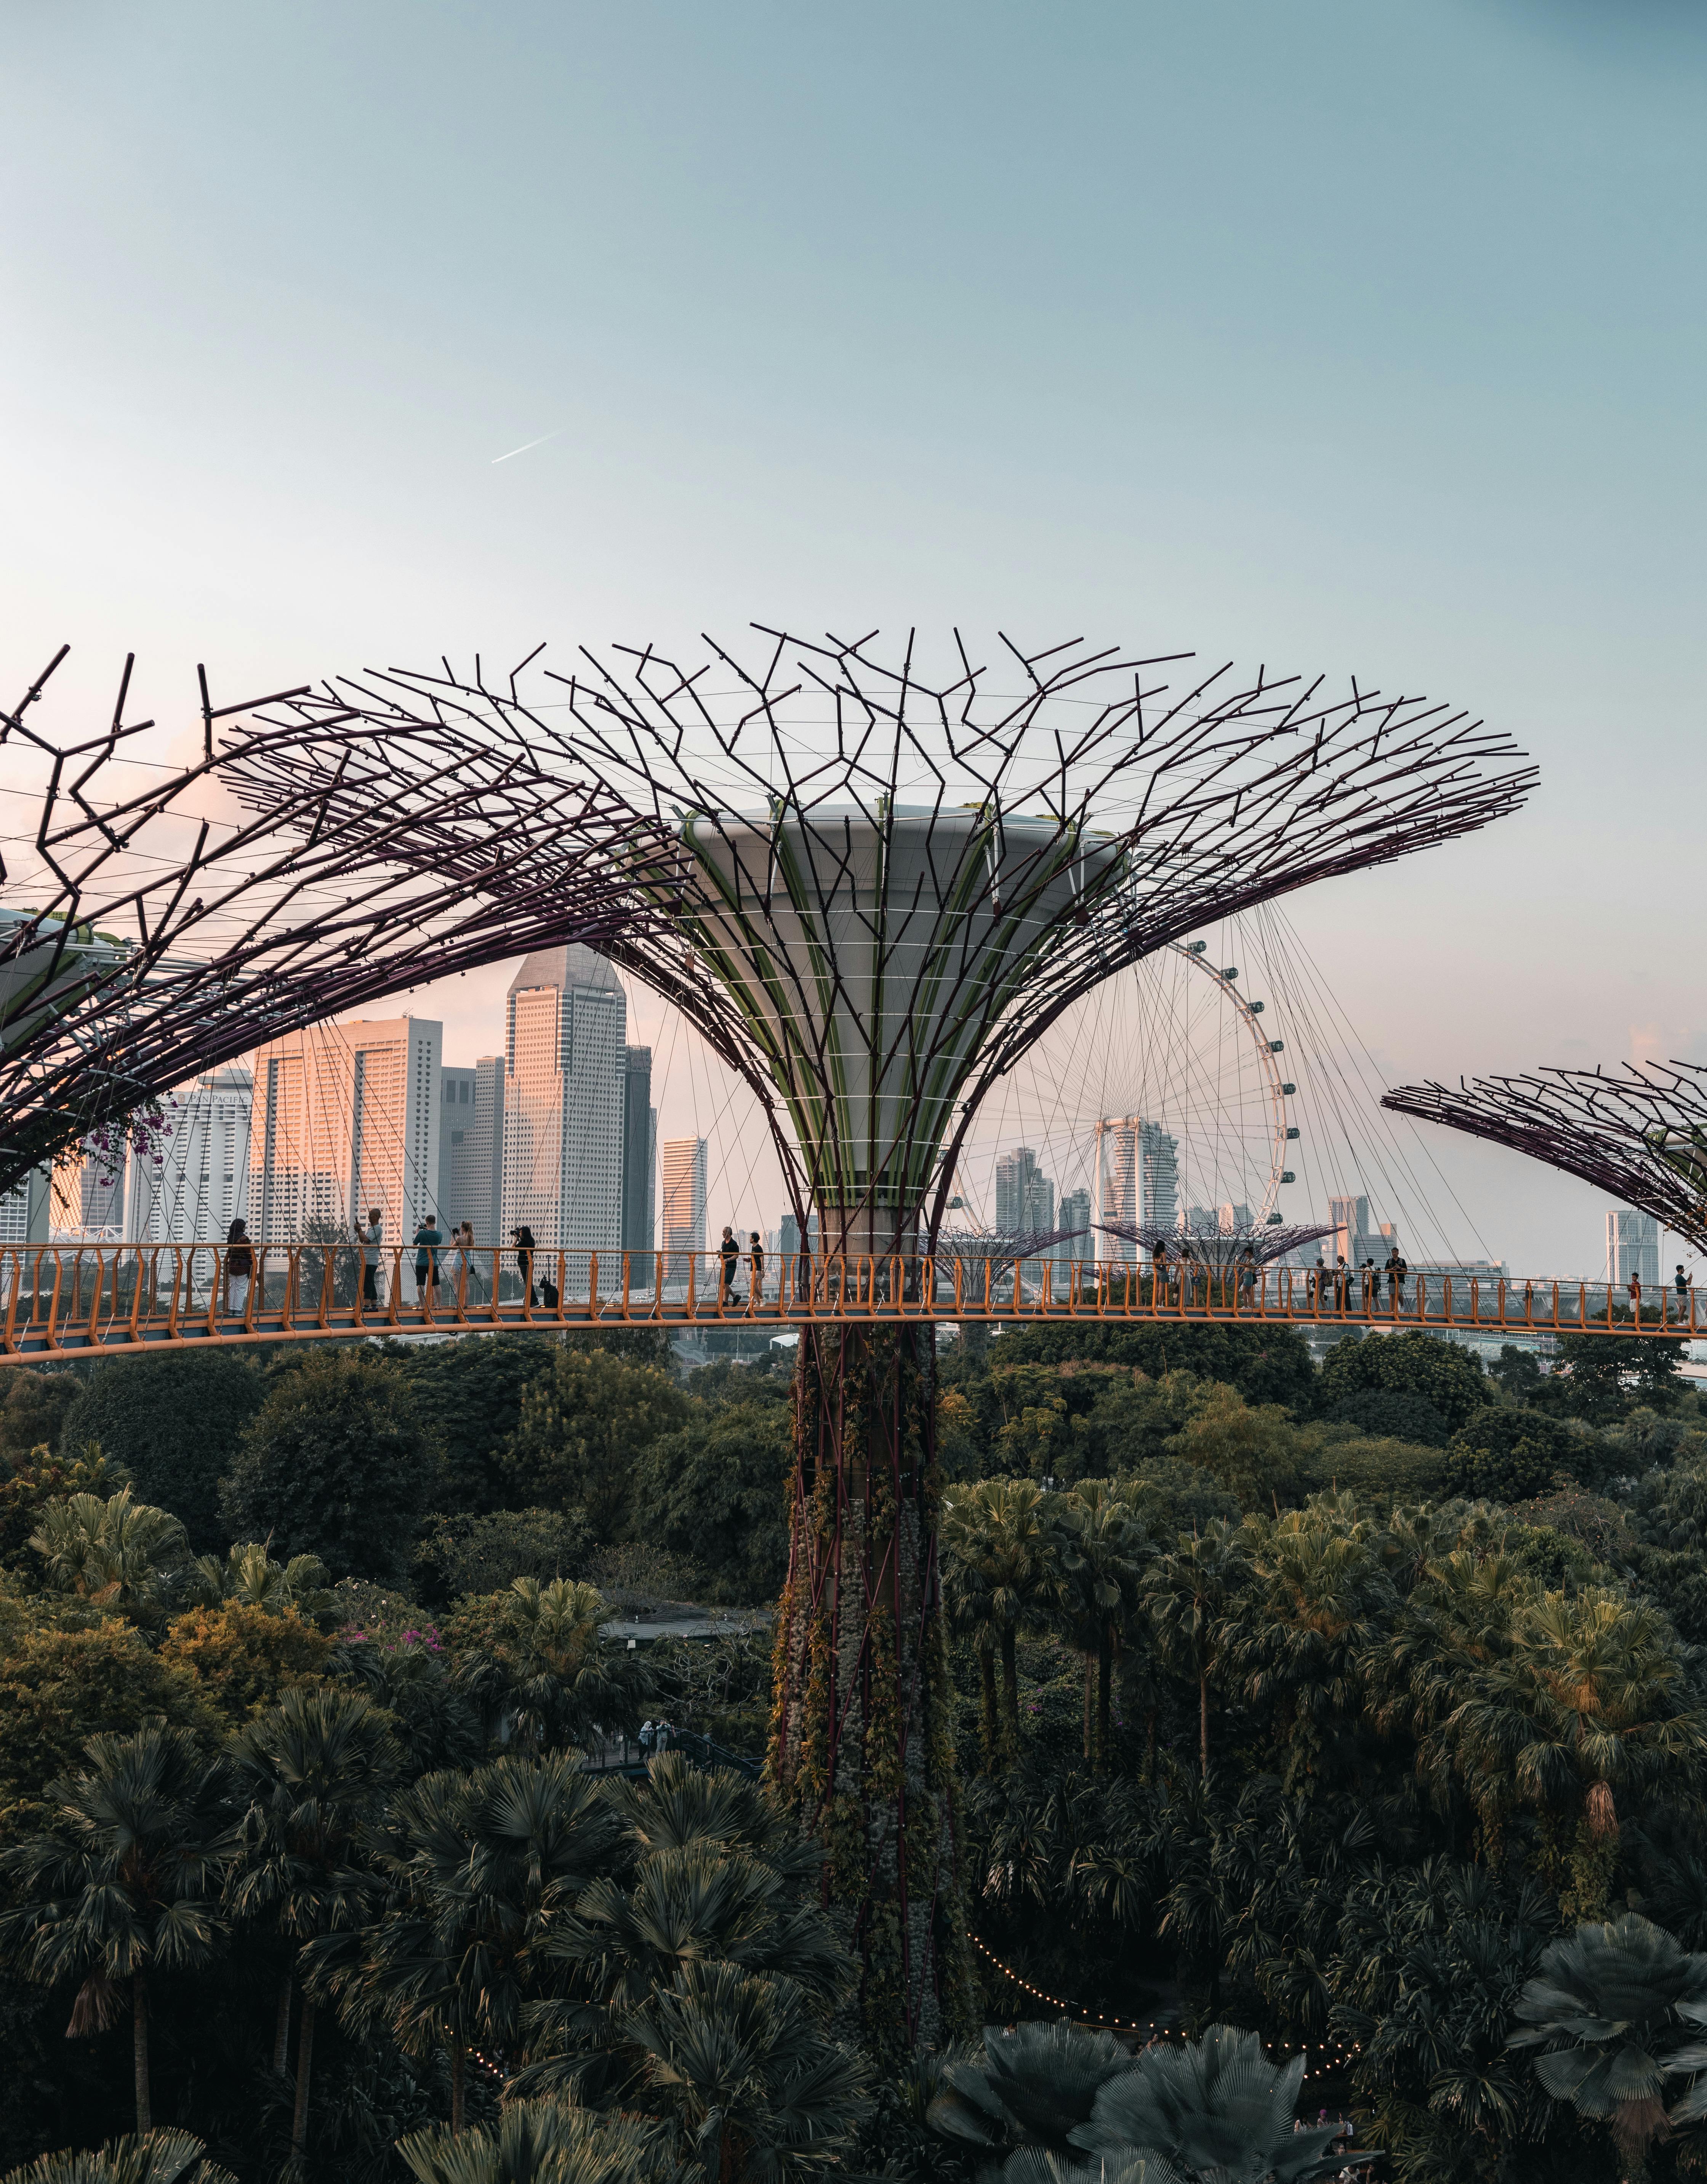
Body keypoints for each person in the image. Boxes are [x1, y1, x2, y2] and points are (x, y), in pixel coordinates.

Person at [225, 1217, 253, 1316]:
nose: (245, 1228)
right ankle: (238, 1310)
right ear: (241, 1227)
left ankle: (232, 1309)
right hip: (243, 1266)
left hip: (232, 1265)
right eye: (244, 1227)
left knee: (233, 1287)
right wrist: (252, 1263)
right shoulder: (244, 1239)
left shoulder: (230, 1238)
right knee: (241, 1288)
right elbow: (249, 1253)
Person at [413, 1211, 442, 1308]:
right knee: (436, 1284)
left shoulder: (422, 1233)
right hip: (433, 1263)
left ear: (427, 1223)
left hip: (421, 1262)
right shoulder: (439, 1235)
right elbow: (438, 1242)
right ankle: (439, 1305)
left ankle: (422, 1305)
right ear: (435, 1222)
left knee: (420, 1284)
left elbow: (414, 1245)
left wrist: (417, 1233)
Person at [356, 1206, 382, 1309]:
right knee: (370, 1281)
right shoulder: (371, 1229)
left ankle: (366, 1305)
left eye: (371, 1215)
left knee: (367, 1282)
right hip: (367, 1259)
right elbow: (362, 1240)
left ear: (376, 1217)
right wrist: (359, 1231)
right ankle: (374, 1305)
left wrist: (360, 1230)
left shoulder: (377, 1229)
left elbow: (366, 1240)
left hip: (370, 1260)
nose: (369, 1217)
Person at [512, 1225, 536, 1306]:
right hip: (529, 1264)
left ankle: (534, 1302)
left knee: (528, 1284)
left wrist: (516, 1238)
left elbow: (513, 1248)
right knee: (529, 1283)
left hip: (524, 1265)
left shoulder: (523, 1242)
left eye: (521, 1232)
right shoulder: (531, 1240)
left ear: (525, 1233)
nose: (520, 1234)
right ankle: (532, 1302)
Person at [719, 1224, 740, 1306]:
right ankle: (735, 1297)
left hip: (731, 1266)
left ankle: (726, 1302)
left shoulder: (734, 1244)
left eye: (724, 1232)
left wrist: (728, 1260)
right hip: (725, 1266)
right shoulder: (723, 1243)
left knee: (726, 1283)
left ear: (728, 1233)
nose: (722, 1234)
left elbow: (736, 1255)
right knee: (724, 1284)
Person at [749, 1230, 765, 1310]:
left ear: (753, 1239)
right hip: (753, 1269)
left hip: (758, 1269)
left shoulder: (759, 1248)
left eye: (751, 1238)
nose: (750, 1239)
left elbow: (762, 1259)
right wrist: (749, 1260)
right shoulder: (753, 1247)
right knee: (752, 1287)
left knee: (754, 1286)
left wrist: (763, 1270)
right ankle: (758, 1302)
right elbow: (755, 1258)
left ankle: (762, 1298)